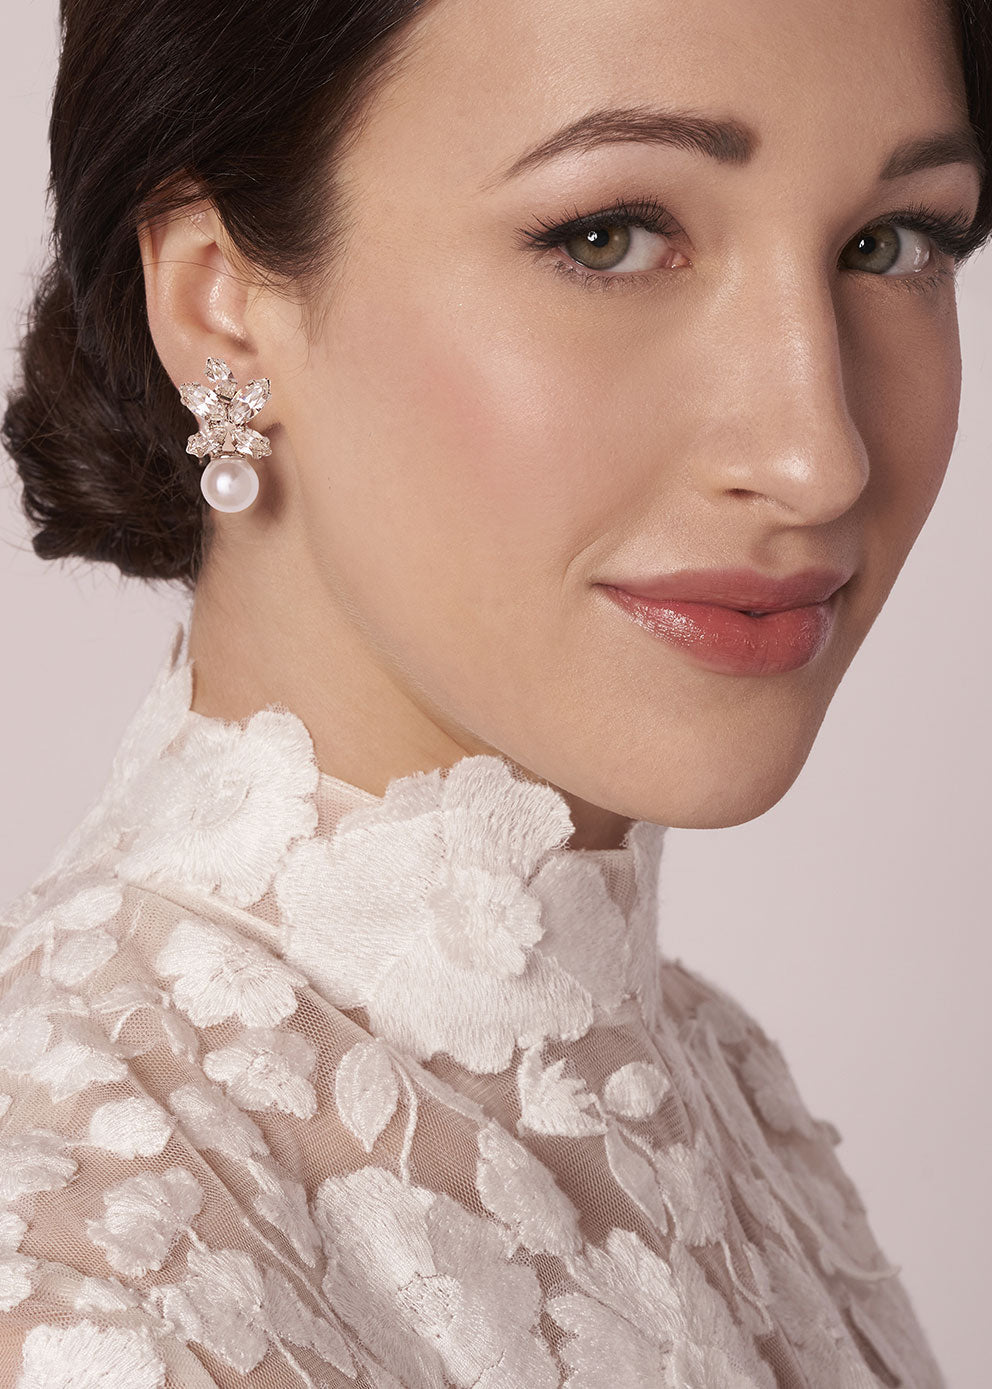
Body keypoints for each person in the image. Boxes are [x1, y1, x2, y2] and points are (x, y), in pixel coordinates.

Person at [0, 0, 988, 1383]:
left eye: (894, 242)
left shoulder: (710, 1086)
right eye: (610, 236)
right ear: (219, 300)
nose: (817, 455)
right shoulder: (81, 1261)